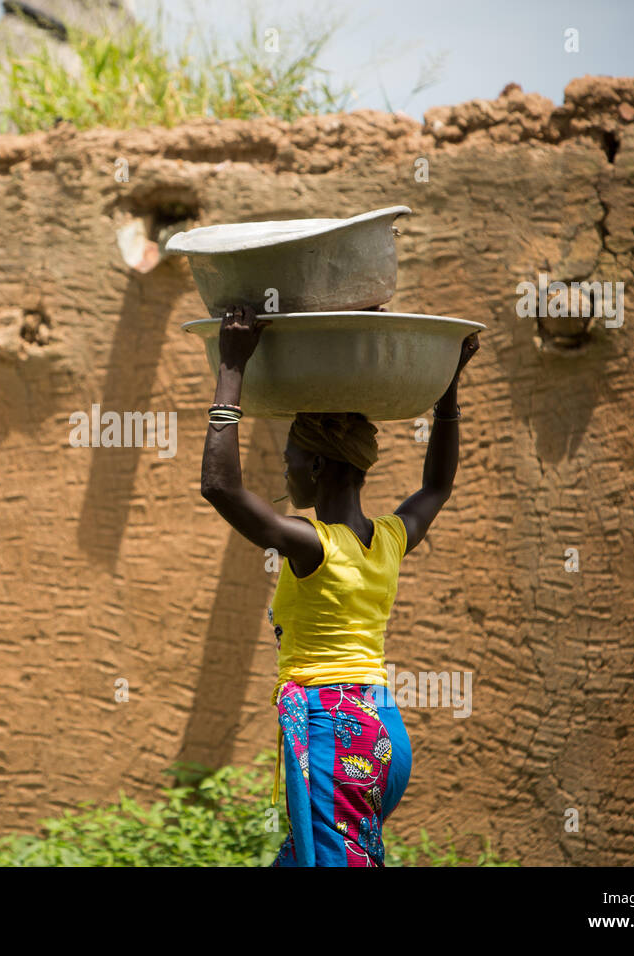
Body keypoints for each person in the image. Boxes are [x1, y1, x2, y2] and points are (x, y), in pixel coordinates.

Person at [199, 303, 480, 866]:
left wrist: (231, 366)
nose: (286, 470)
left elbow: (219, 488)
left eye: (292, 457)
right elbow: (438, 485)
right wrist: (446, 391)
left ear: (321, 467)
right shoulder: (389, 539)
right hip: (380, 732)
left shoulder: (313, 546)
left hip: (337, 737)